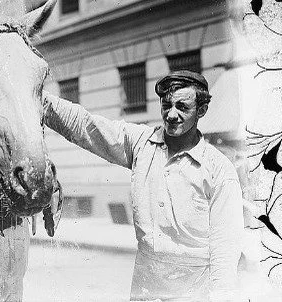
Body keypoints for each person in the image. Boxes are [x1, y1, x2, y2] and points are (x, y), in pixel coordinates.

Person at [43, 70, 244, 301]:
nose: (171, 115)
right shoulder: (141, 144)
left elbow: (225, 249)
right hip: (145, 286)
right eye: (166, 105)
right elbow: (86, 126)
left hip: (194, 289)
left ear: (201, 110)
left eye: (182, 107)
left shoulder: (219, 169)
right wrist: (36, 99)